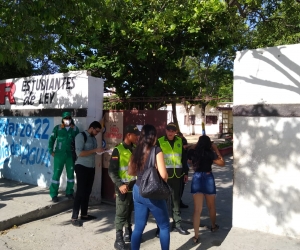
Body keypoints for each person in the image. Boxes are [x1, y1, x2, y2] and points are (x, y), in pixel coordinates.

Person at [128, 124, 170, 250]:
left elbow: (130, 172)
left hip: (137, 190)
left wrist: (142, 172)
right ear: (154, 136)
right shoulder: (156, 150)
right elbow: (163, 175)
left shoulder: (136, 150)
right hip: (152, 192)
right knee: (164, 226)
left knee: (138, 228)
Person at [108, 124, 140, 250]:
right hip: (122, 187)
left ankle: (128, 232)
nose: (137, 137)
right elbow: (112, 171)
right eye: (135, 135)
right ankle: (118, 238)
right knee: (121, 213)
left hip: (134, 187)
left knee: (129, 211)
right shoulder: (118, 150)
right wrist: (120, 184)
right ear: (128, 135)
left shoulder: (136, 149)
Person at [189, 135, 225, 244]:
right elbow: (222, 163)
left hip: (197, 178)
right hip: (208, 177)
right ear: (209, 144)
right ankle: (213, 226)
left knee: (197, 210)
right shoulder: (210, 153)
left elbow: (190, 151)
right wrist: (215, 148)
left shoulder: (193, 152)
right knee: (211, 206)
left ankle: (196, 236)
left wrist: (197, 145)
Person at [156, 122, 190, 236]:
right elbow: (155, 159)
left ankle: (177, 224)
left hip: (177, 175)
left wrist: (185, 172)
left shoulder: (179, 141)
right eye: (168, 130)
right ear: (165, 130)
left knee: (176, 201)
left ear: (175, 131)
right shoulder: (159, 141)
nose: (170, 132)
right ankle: (161, 226)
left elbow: (183, 159)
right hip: (164, 176)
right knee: (163, 202)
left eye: (173, 131)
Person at [71, 121, 105, 227]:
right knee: (80, 192)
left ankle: (84, 214)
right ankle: (74, 217)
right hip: (81, 167)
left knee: (87, 192)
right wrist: (95, 149)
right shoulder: (81, 136)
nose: (97, 133)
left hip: (91, 167)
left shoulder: (93, 138)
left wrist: (101, 151)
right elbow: (79, 153)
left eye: (99, 132)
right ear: (91, 128)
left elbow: (93, 152)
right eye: (96, 131)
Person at [48, 111, 79, 202]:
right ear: (62, 119)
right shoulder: (57, 128)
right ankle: (54, 194)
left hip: (70, 155)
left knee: (70, 175)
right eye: (65, 118)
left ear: (71, 119)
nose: (67, 120)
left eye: (69, 118)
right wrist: (51, 151)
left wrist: (77, 154)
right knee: (56, 175)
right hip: (59, 155)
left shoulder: (75, 129)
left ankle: (69, 192)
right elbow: (51, 140)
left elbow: (78, 142)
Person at [176, 131, 189, 209]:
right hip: (169, 173)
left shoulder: (183, 140)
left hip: (180, 171)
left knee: (180, 189)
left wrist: (185, 172)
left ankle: (178, 203)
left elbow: (184, 160)